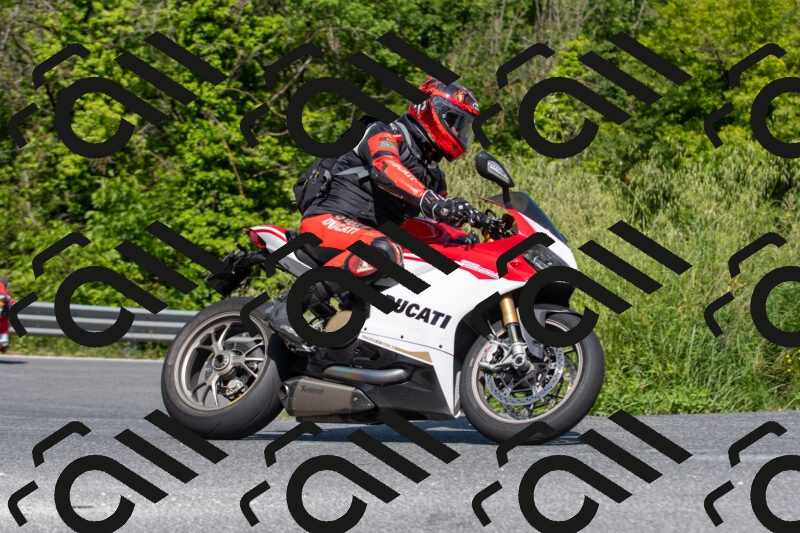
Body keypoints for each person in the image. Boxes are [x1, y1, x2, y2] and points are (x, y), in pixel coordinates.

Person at [271, 77, 485, 344]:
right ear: (431, 110)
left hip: (371, 238)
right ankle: (289, 306)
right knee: (383, 251)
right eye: (456, 121)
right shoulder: (385, 132)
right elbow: (385, 167)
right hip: (328, 221)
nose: (460, 131)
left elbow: (436, 224)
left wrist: (466, 234)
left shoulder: (434, 175)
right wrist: (431, 201)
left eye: (464, 126)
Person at [0, 277, 14, 353]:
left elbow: (5, 297)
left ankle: (3, 342)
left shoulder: (2, 282)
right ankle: (3, 342)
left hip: (4, 308)